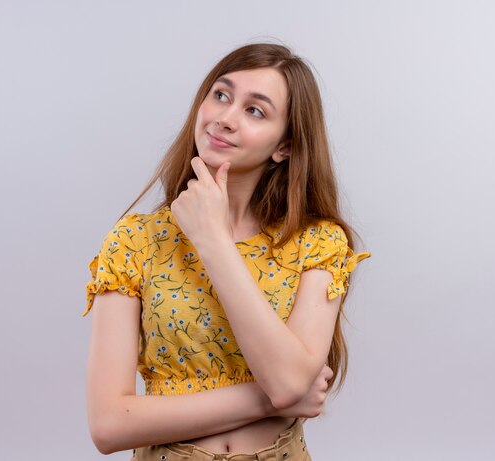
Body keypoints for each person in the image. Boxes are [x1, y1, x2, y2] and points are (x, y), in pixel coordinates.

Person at [82, 42, 371, 460]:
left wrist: (213, 240)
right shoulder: (135, 241)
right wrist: (268, 400)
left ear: (284, 146)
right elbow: (108, 425)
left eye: (255, 110)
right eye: (221, 95)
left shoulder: (317, 243)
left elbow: (290, 382)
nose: (225, 118)